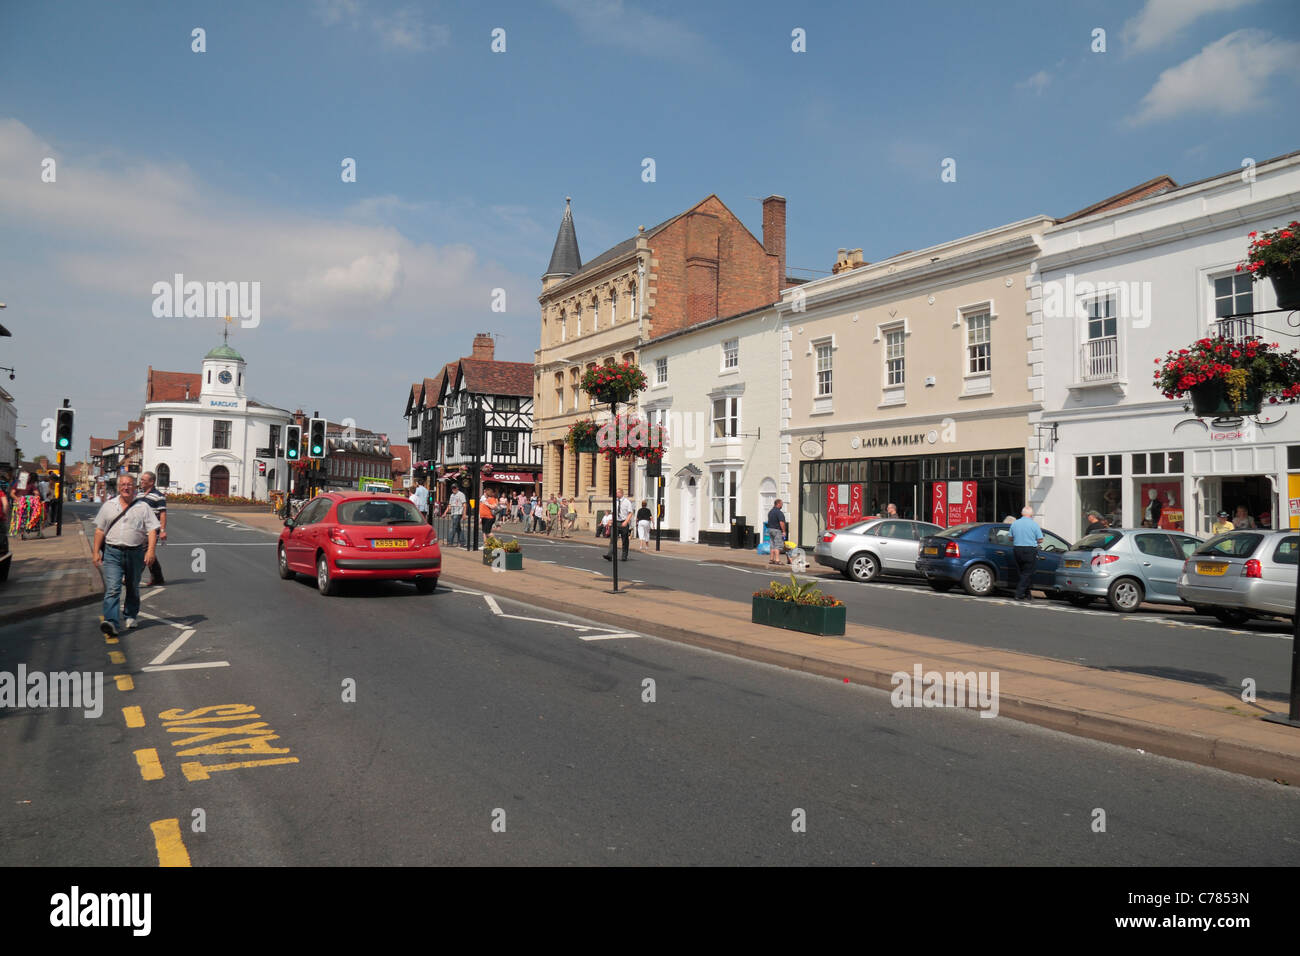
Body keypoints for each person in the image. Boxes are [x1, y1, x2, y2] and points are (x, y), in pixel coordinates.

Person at [92, 474, 159, 637]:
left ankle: (130, 615)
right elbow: (100, 530)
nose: (126, 487)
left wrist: (150, 551)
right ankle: (111, 622)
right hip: (112, 552)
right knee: (113, 588)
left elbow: (152, 530)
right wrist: (95, 552)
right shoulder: (108, 506)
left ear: (135, 487)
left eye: (129, 484)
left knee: (132, 586)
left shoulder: (143, 507)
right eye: (123, 484)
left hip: (135, 552)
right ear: (118, 487)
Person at [137, 470, 168, 586]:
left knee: (143, 553)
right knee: (149, 554)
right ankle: (158, 578)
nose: (141, 482)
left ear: (152, 482)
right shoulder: (139, 494)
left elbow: (163, 514)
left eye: (144, 480)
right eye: (141, 480)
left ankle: (133, 577)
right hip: (139, 529)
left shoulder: (159, 496)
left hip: (152, 530)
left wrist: (163, 530)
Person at [1010, 506, 1044, 601]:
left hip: (1017, 549)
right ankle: (1018, 594)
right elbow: (1040, 539)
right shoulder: (1034, 525)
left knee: (1022, 572)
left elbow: (1010, 538)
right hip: (1029, 550)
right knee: (1027, 573)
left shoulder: (1015, 523)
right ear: (1031, 515)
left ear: (1022, 514)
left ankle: (1027, 594)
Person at [767, 499, 789, 566]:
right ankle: (777, 560)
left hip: (770, 529)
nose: (782, 505)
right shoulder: (779, 512)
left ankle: (771, 559)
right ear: (778, 504)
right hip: (777, 530)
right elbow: (781, 522)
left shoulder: (770, 512)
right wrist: (784, 531)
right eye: (781, 504)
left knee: (772, 544)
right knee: (778, 545)